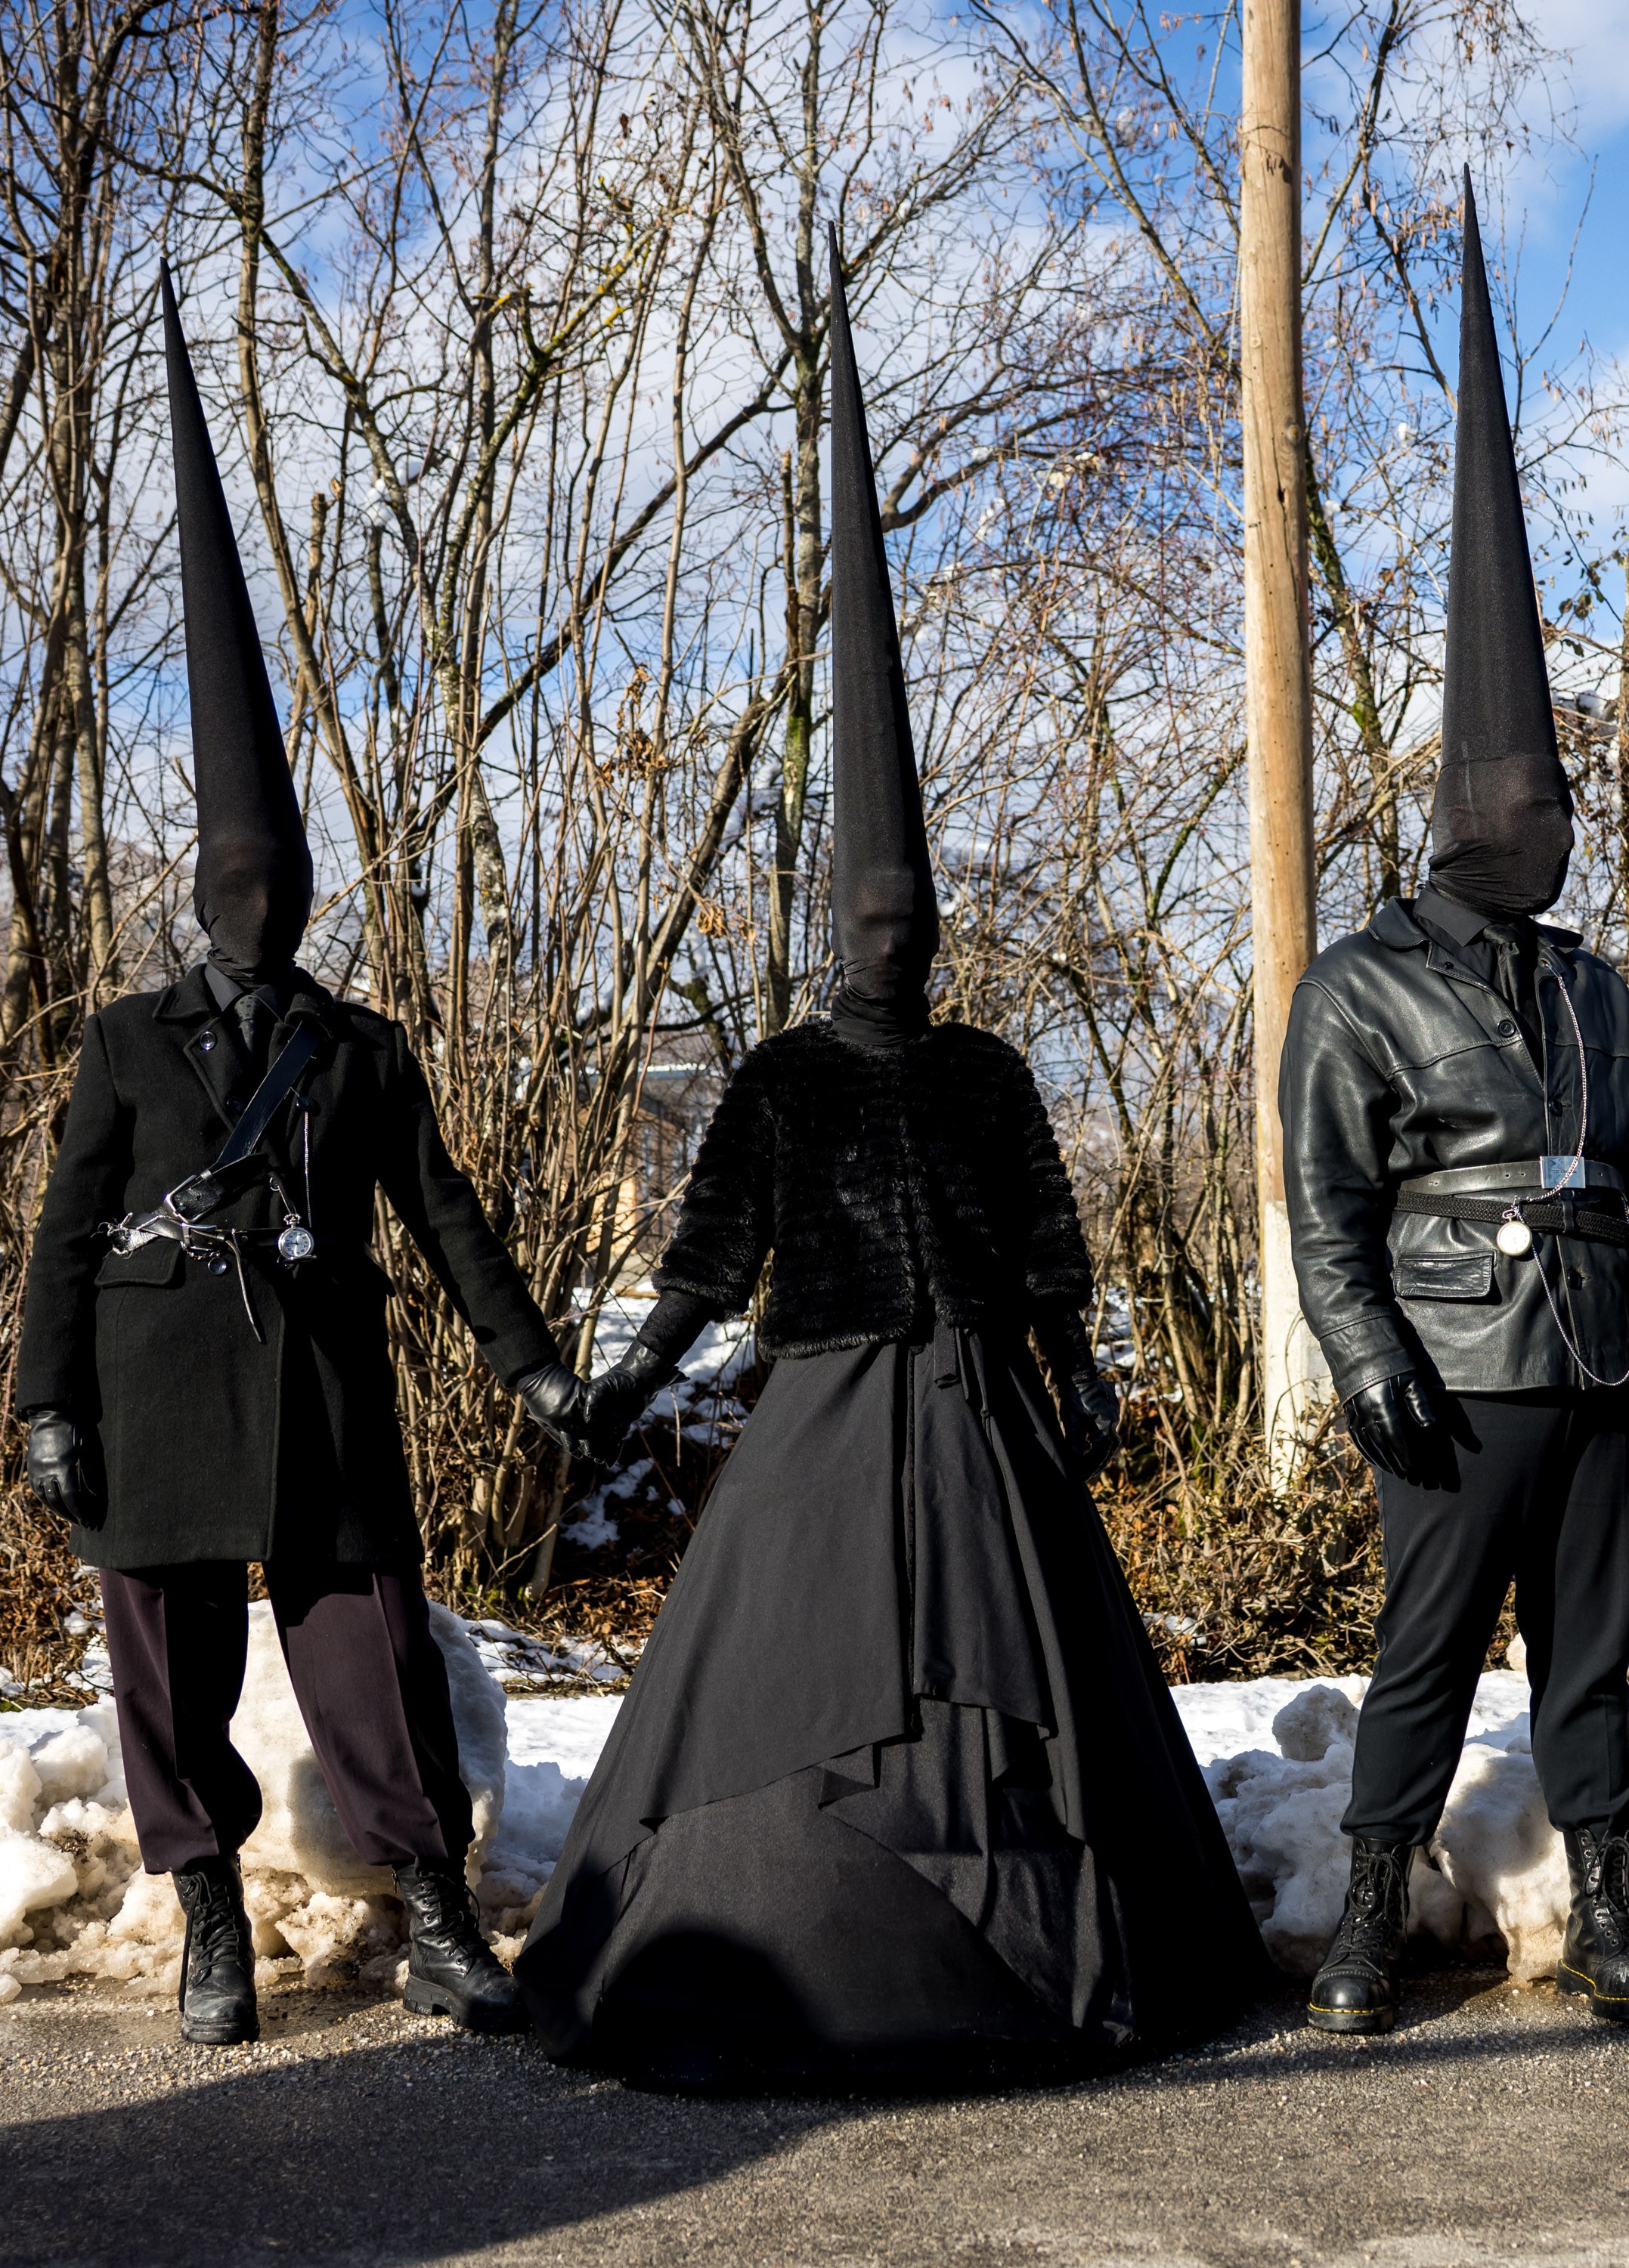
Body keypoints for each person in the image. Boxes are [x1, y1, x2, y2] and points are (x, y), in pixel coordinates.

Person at [510, 262, 1269, 2090]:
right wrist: (625, 1379)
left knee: (1032, 1677)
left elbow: (1050, 1241)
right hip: (830, 1415)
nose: (895, 934)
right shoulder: (779, 1078)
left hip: (986, 1415)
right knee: (796, 1676)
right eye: (869, 913)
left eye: (915, 913)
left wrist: (1077, 1367)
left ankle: (1038, 1962)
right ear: (834, 928)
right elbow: (707, 1258)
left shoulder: (986, 1070)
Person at [12, 277, 625, 2049]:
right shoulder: (127, 1043)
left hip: (328, 1401)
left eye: (281, 880)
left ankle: (437, 1915)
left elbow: (445, 1214)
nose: (260, 903)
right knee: (168, 1677)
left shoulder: (357, 1048)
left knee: (378, 1665)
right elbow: (66, 1235)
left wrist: (528, 1360)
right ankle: (211, 1919)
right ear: (204, 889)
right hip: (153, 1400)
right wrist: (46, 1403)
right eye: (237, 880)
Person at [1275, 191, 1629, 2037]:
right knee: (1425, 1649)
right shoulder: (1363, 986)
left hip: (1595, 1349)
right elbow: (1324, 1200)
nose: (1562, 829)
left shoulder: (1589, 987)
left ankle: (1611, 1912)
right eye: (1539, 806)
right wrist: (1364, 1359)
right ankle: (1366, 1916)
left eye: (1565, 805)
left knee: (1592, 1652)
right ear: (1472, 819)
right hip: (1452, 1359)